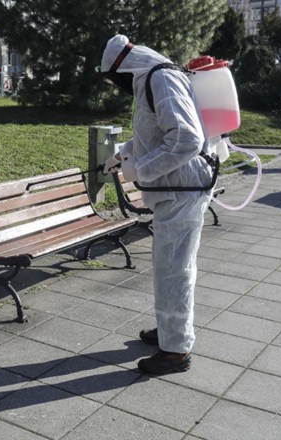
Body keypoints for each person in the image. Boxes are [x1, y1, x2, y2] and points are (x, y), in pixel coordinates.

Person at [100, 35, 213, 375]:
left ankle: (175, 351)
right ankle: (170, 332)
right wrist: (126, 152)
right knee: (171, 268)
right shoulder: (156, 76)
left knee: (174, 272)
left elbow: (187, 139)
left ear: (123, 66)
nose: (116, 84)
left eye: (113, 77)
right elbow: (157, 130)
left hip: (182, 190)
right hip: (179, 190)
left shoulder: (159, 78)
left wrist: (139, 169)